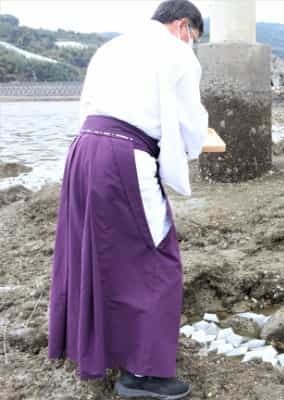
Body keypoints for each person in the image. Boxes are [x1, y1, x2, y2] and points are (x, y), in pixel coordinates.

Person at [48, 1, 208, 398]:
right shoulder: (177, 53)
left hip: (83, 150)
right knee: (156, 257)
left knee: (96, 251)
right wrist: (190, 148)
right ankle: (142, 374)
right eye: (195, 37)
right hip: (123, 153)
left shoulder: (112, 47)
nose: (192, 44)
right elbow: (189, 122)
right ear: (182, 25)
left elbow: (89, 107)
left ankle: (91, 347)